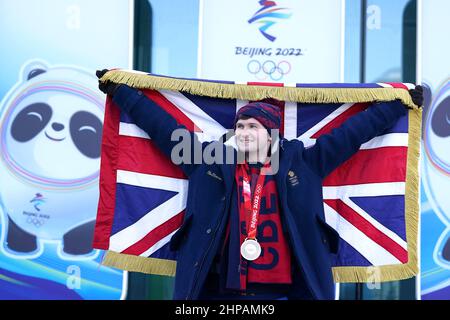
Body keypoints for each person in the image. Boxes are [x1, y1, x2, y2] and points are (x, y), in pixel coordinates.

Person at [96, 70, 423, 300]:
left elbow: (353, 133)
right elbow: (163, 127)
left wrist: (398, 104)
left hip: (286, 290)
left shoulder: (305, 163)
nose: (243, 132)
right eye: (240, 126)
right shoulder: (207, 160)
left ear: (271, 133)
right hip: (215, 291)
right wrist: (122, 92)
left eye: (253, 126)